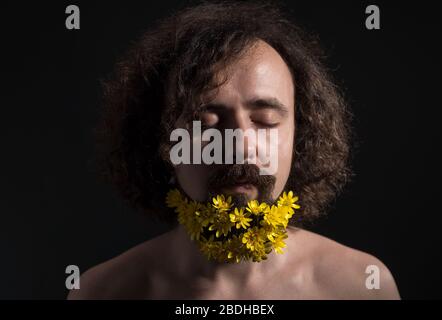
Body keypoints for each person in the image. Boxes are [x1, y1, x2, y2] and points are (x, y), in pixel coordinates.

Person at [68, 1, 400, 299]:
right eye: (207, 121)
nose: (240, 144)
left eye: (266, 121)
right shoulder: (101, 293)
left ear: (302, 136)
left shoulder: (362, 286)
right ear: (162, 142)